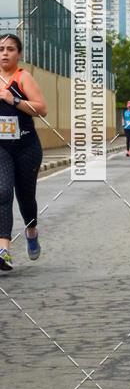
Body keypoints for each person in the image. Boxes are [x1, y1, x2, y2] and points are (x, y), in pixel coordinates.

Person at [0, 33, 48, 271]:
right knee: (3, 192)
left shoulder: (23, 77)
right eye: (1, 49)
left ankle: (31, 231)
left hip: (26, 146)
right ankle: (4, 250)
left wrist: (14, 100)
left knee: (26, 197)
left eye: (10, 49)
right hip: (1, 148)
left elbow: (42, 109)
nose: (5, 53)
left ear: (18, 54)